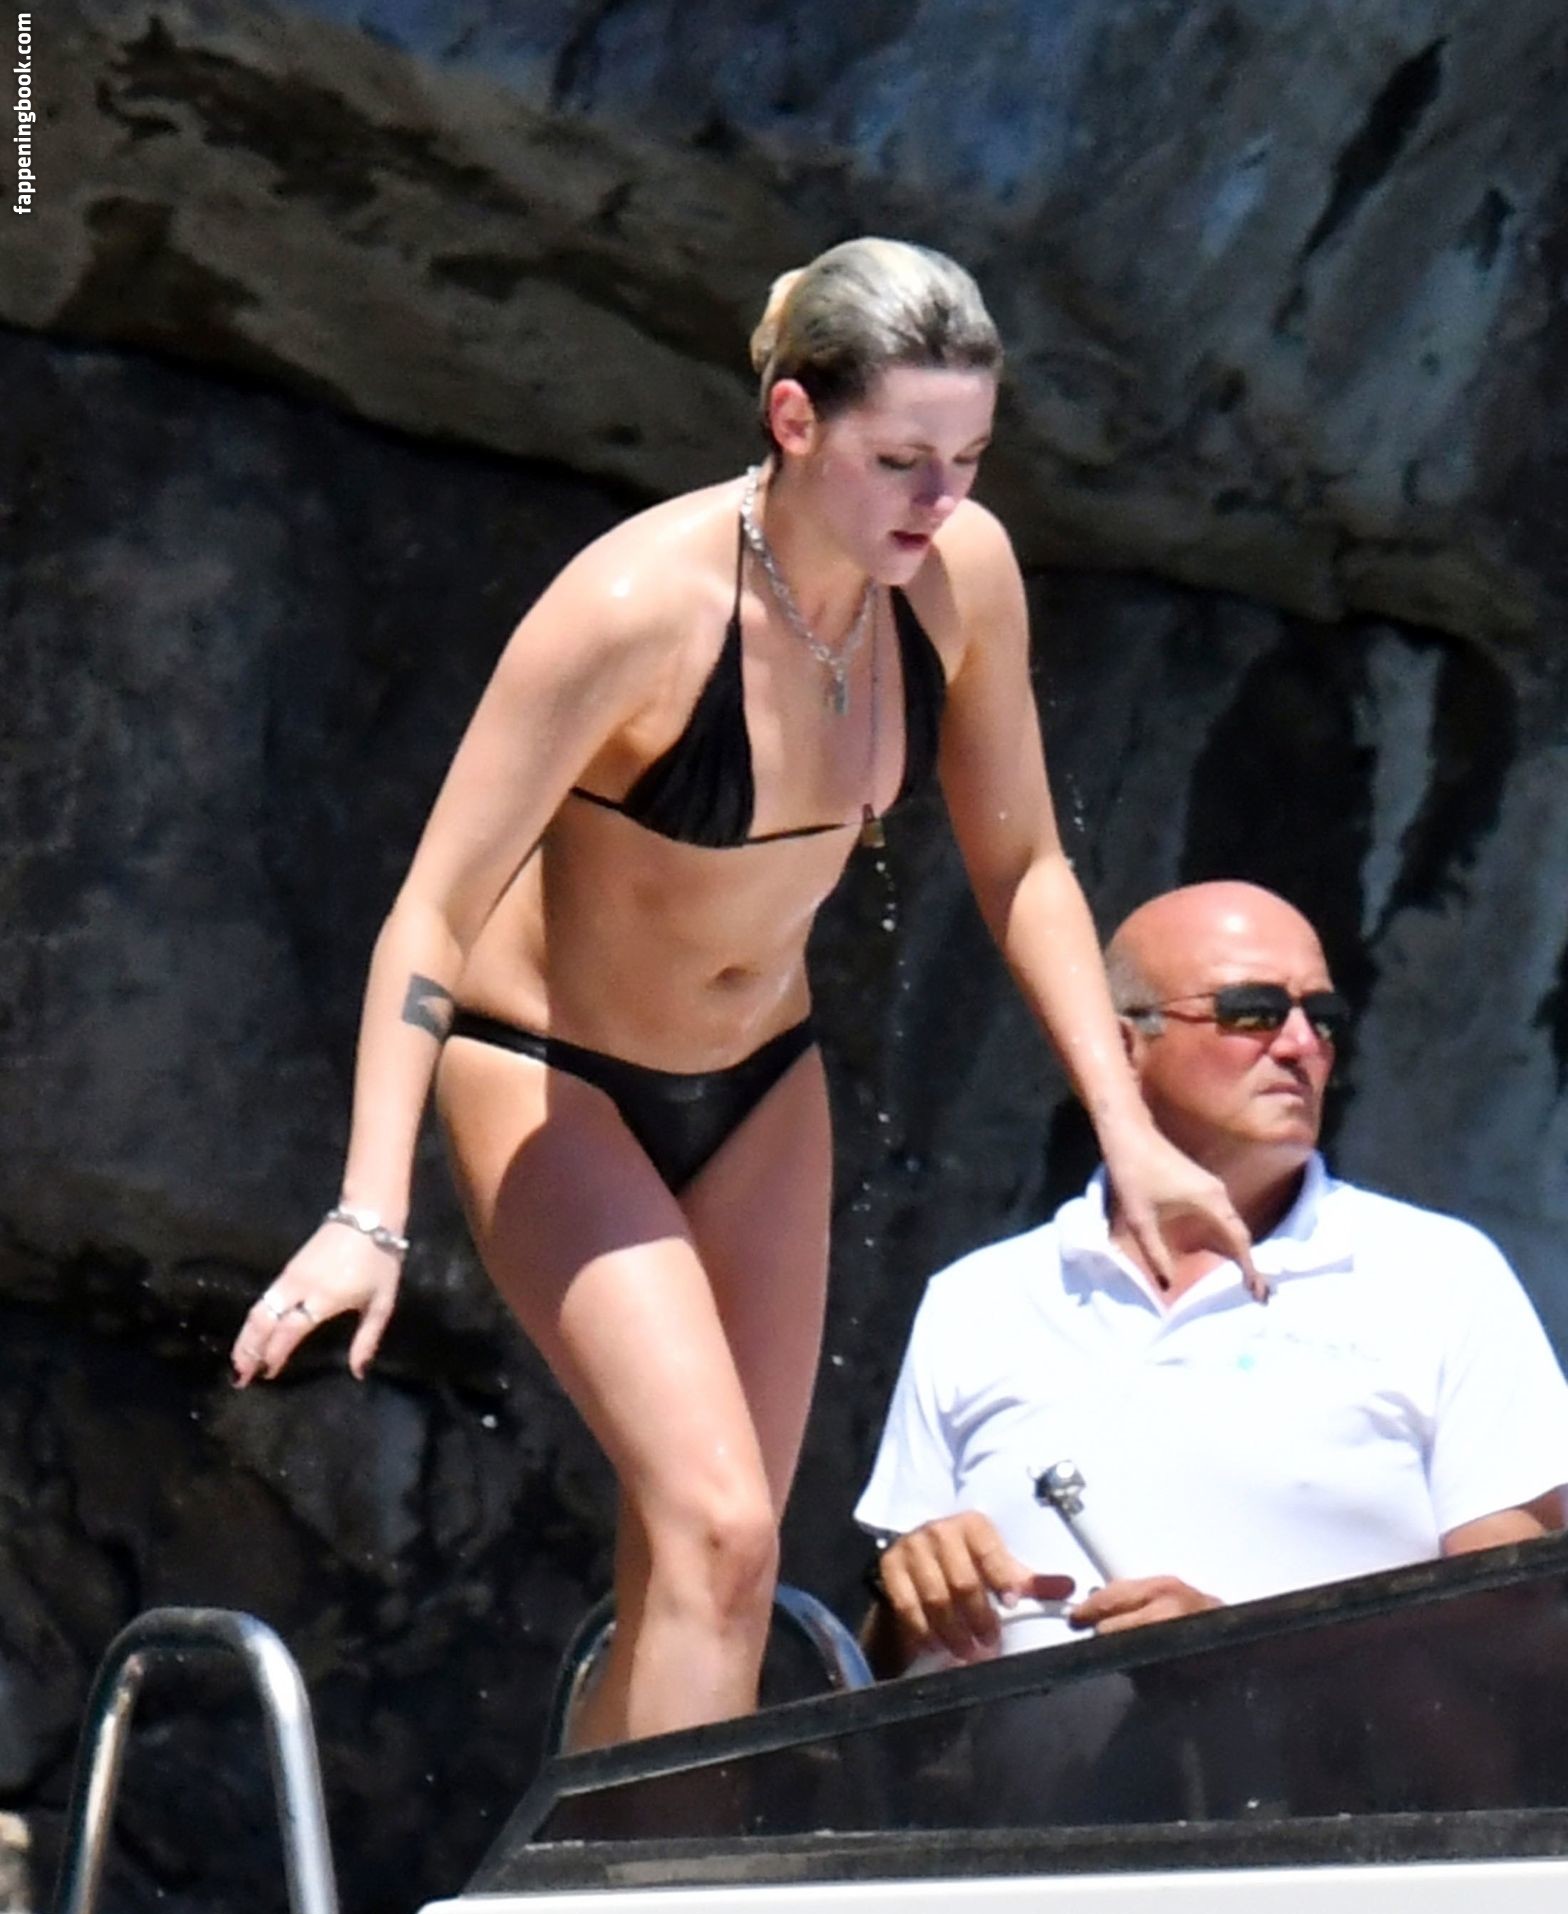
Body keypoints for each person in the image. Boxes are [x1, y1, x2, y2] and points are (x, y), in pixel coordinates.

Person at [229, 238, 1258, 1749]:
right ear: (792, 420)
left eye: (969, 458)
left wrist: (1130, 1132)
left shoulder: (959, 578)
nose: (940, 498)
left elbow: (1025, 863)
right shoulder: (634, 608)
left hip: (763, 1083)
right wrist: (367, 1213)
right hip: (553, 1076)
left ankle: (586, 1870)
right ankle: (671, 1875)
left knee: (708, 1568)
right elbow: (431, 912)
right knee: (718, 1529)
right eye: (900, 460)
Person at [858, 881, 1568, 1677]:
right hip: (1010, 1767)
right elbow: (880, 1675)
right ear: (1120, 1047)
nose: (1301, 1045)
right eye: (1252, 1011)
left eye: (1322, 1016)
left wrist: (1242, 1658)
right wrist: (909, 1594)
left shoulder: (1437, 1274)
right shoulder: (976, 1300)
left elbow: (1521, 1614)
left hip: (1336, 1763)